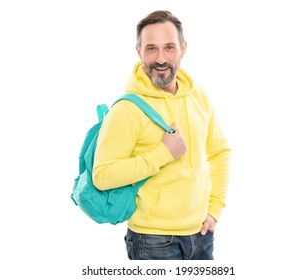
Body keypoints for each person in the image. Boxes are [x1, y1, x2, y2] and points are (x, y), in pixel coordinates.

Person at [93, 10, 231, 260]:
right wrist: (163, 153)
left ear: (183, 48)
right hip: (152, 241)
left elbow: (220, 152)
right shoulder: (127, 109)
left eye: (169, 47)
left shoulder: (198, 95)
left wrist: (215, 209)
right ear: (138, 51)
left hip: (201, 235)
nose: (160, 59)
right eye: (151, 49)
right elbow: (102, 176)